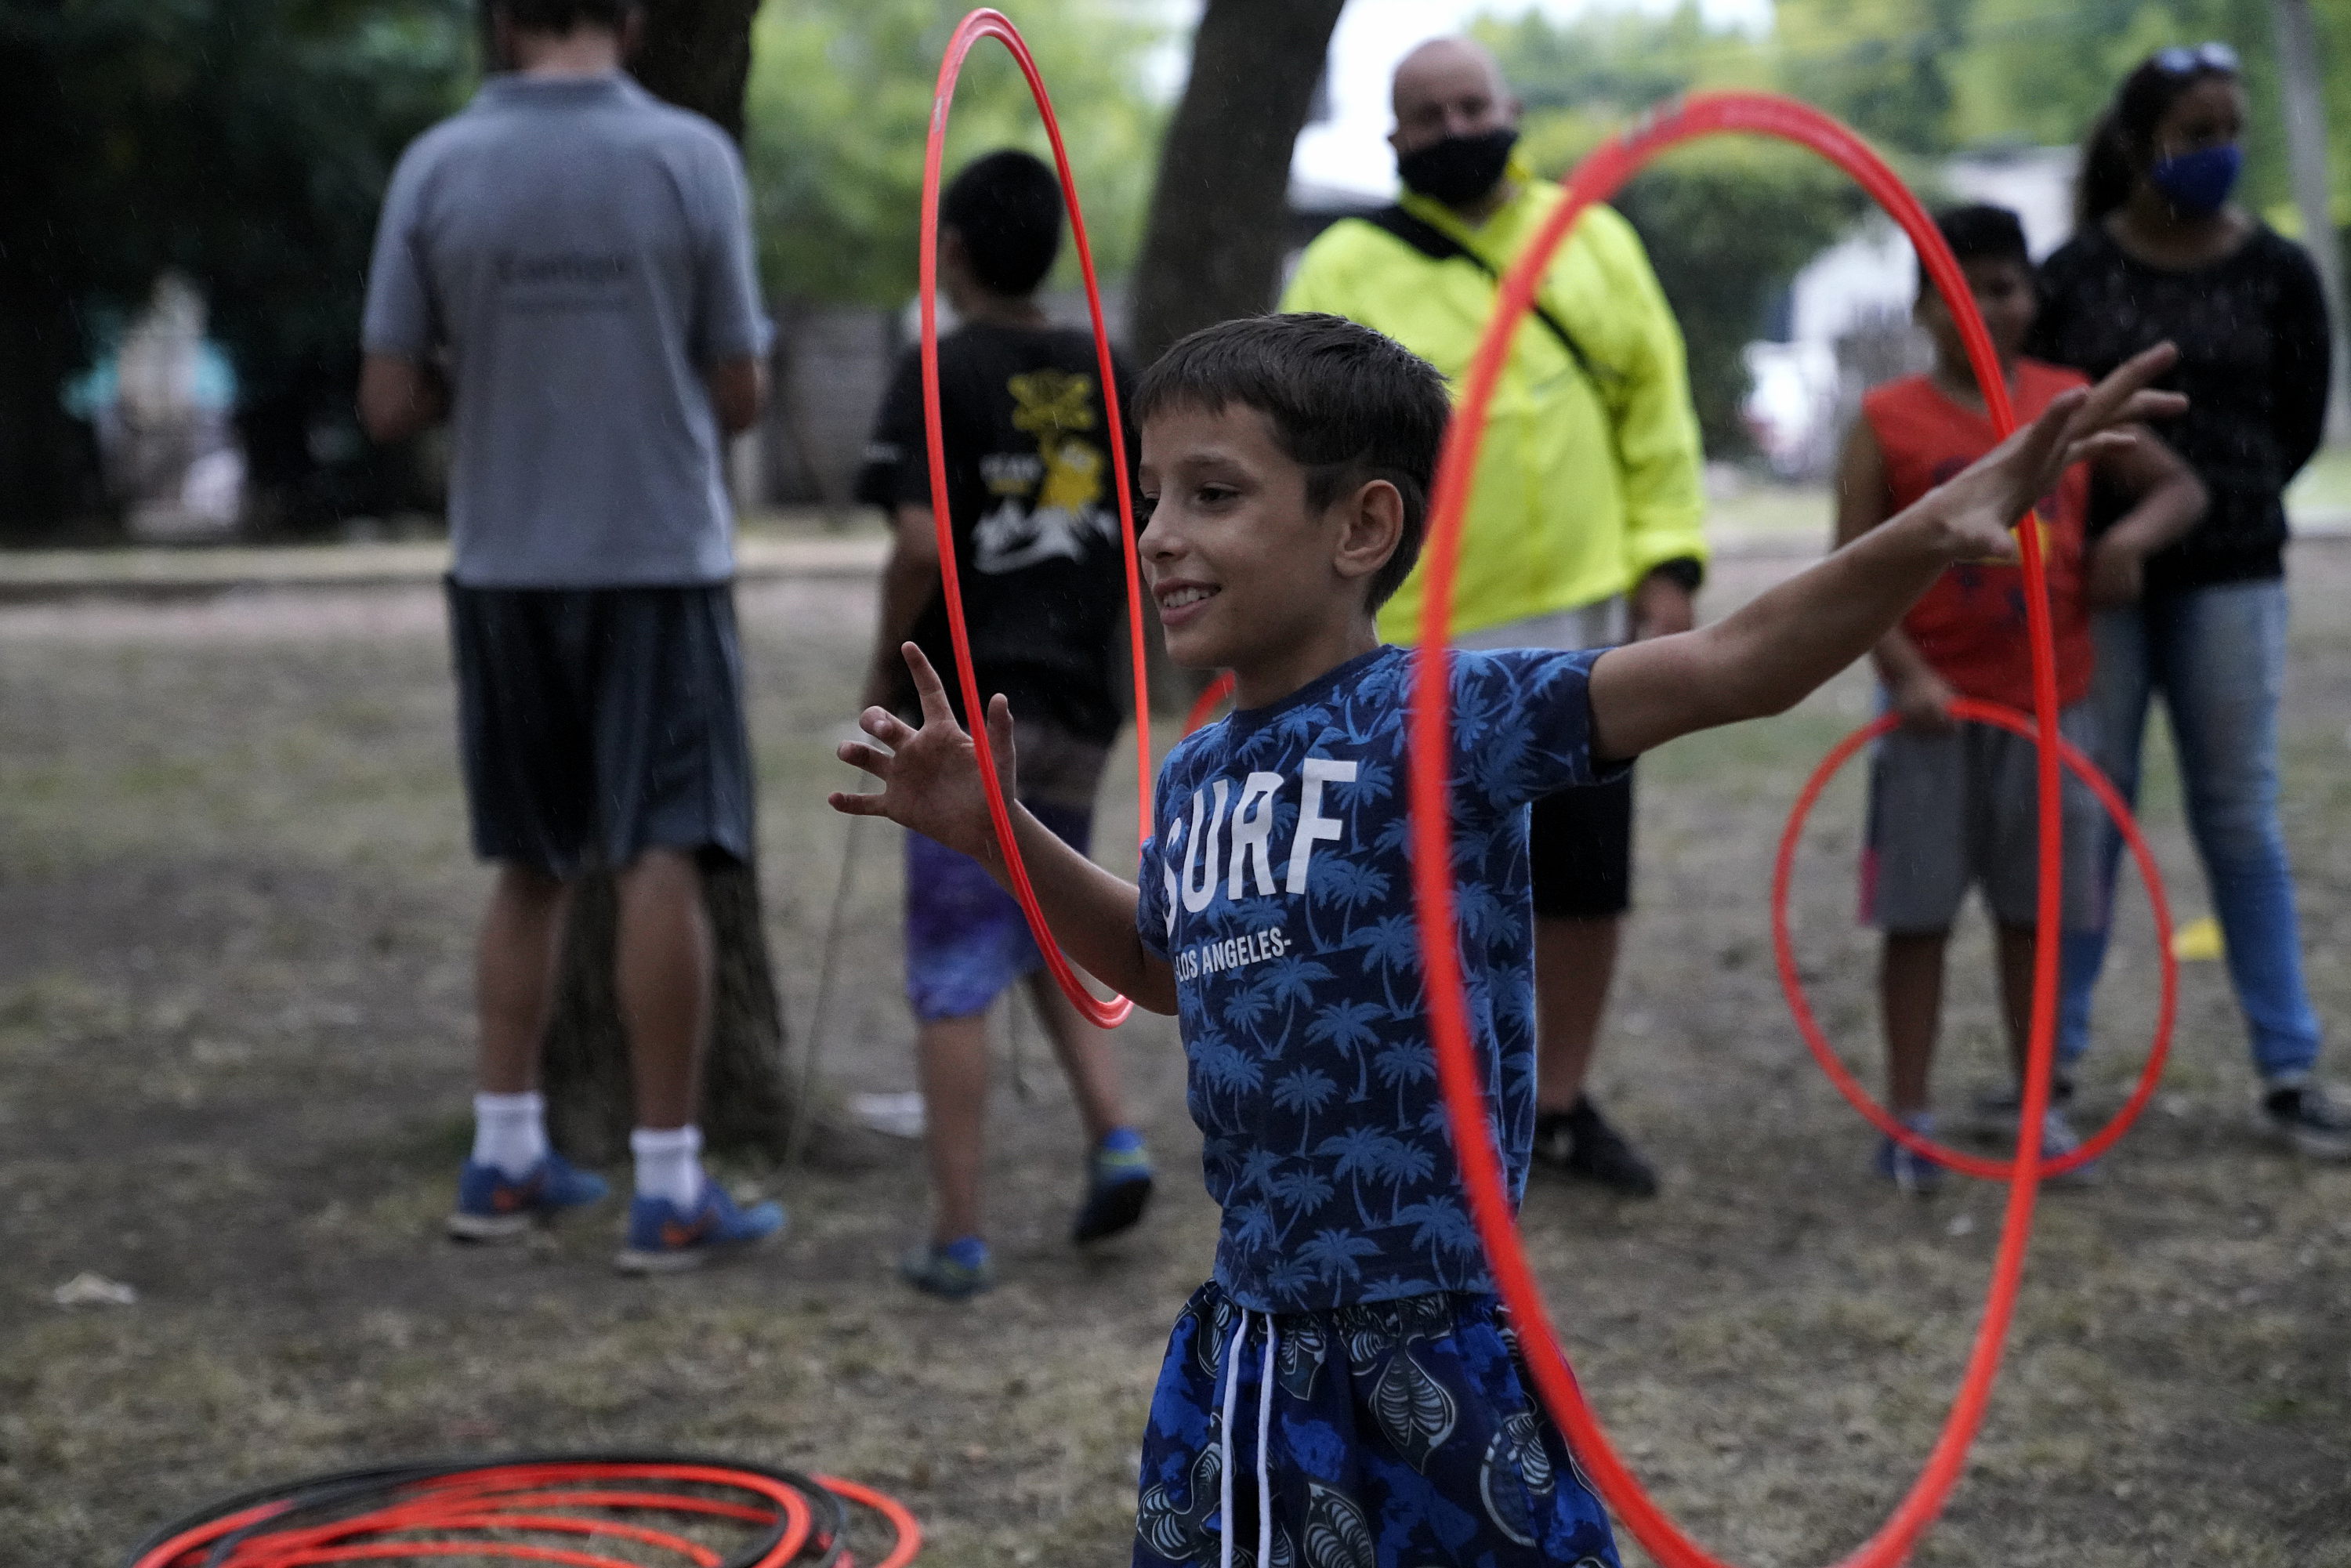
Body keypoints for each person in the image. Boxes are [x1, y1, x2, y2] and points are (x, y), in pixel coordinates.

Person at [830, 311, 2183, 1564]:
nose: (1158, 535)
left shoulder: (1451, 717)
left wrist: (1929, 529)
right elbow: (1161, 970)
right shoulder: (1197, 773)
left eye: (1213, 495)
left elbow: (1733, 664)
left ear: (1363, 526)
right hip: (1252, 1349)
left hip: (1447, 1330)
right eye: (1153, 495)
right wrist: (999, 831)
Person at [357, 0, 786, 1271]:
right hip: (655, 557)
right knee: (661, 852)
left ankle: (502, 1156)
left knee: (530, 860)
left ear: (501, 18)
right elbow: (745, 388)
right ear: (635, 13)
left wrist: (477, 366)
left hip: (501, 563)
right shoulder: (689, 157)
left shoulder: (436, 166)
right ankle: (668, 1183)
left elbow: (385, 397)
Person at [1279, 37, 1711, 1197]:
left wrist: (1667, 559)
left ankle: (1557, 1103)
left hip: (1578, 617)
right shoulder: (1346, 261)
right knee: (1399, 884)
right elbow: (1302, 440)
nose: (1457, 125)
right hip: (1409, 634)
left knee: (1582, 871)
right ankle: (1411, 1108)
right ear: (1394, 140)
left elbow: (1654, 402)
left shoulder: (1592, 237)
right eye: (1429, 113)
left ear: (1512, 110)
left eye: (1474, 104)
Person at [1836, 205, 2204, 1193]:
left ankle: (2039, 1110)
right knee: (1915, 919)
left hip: (2052, 709)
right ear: (1923, 305)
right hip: (1929, 716)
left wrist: (2126, 543)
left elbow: (2179, 490)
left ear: (2031, 297)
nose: (1986, 306)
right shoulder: (1886, 422)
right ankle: (1909, 1118)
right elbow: (1851, 572)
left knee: (2035, 919)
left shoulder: (2066, 402)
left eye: (2004, 285)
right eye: (1960, 288)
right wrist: (1907, 674)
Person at [2027, 44, 2351, 1159]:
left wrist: (2227, 506)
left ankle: (2289, 1067)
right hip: (2096, 580)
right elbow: (2040, 422)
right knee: (2087, 814)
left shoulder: (2279, 272)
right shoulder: (2072, 276)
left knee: (2239, 815)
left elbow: (2301, 416)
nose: (2218, 153)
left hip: (2232, 575)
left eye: (2230, 131)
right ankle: (2050, 1071)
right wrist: (2105, 532)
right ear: (2141, 142)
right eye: (2194, 133)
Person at [853, 150, 1154, 1299]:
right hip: (1081, 696)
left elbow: (925, 544)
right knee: (1039, 907)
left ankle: (960, 1233)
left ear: (957, 250)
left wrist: (885, 660)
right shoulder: (1108, 366)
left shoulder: (938, 370)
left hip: (966, 703)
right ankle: (1116, 1136)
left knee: (953, 962)